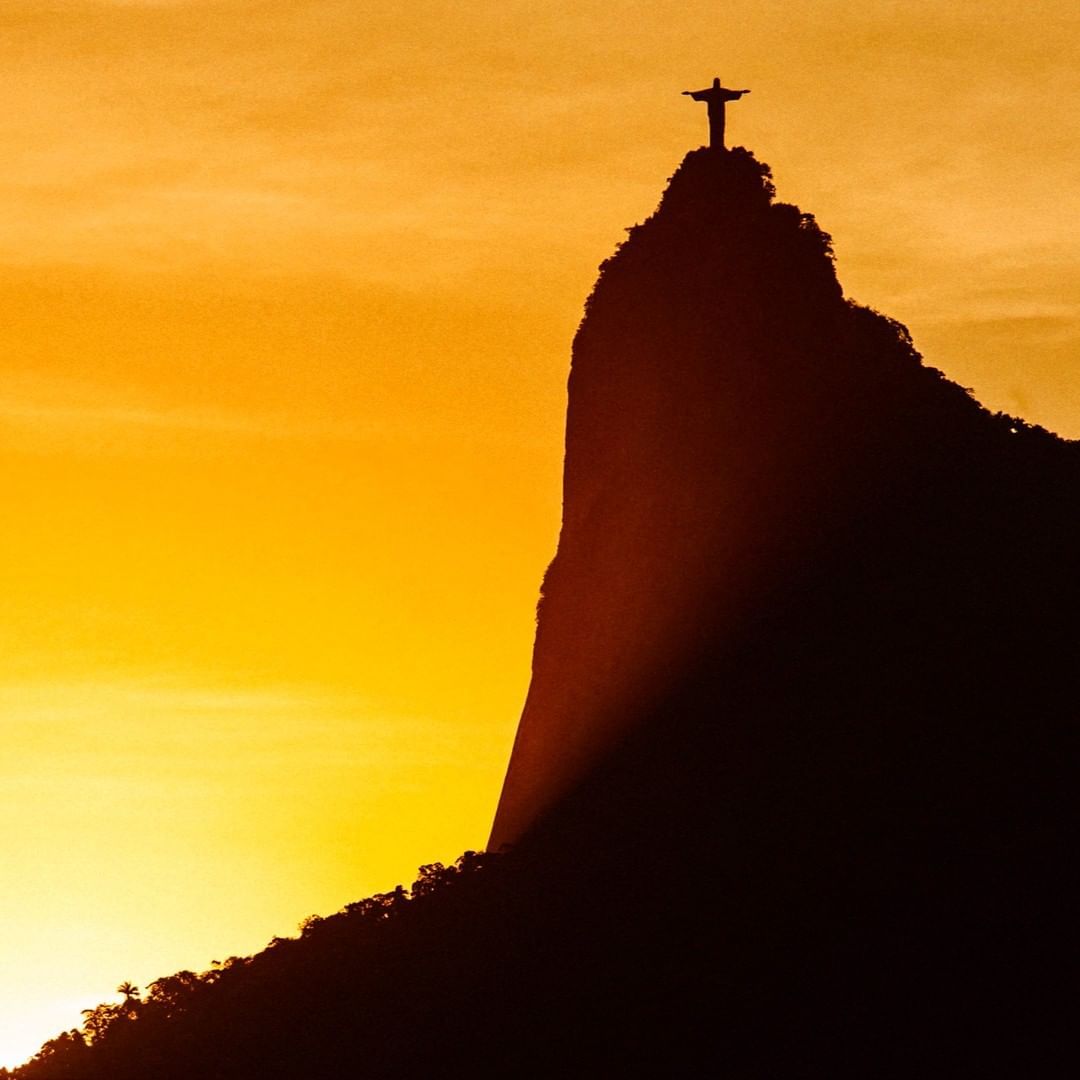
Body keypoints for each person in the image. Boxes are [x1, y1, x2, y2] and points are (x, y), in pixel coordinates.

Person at [682, 77, 750, 149]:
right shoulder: (710, 92)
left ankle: (719, 145)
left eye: (718, 82)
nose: (717, 84)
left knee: (720, 127)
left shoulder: (722, 92)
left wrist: (741, 92)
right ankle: (714, 146)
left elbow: (732, 93)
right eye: (716, 82)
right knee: (713, 127)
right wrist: (690, 93)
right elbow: (700, 93)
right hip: (713, 112)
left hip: (720, 113)